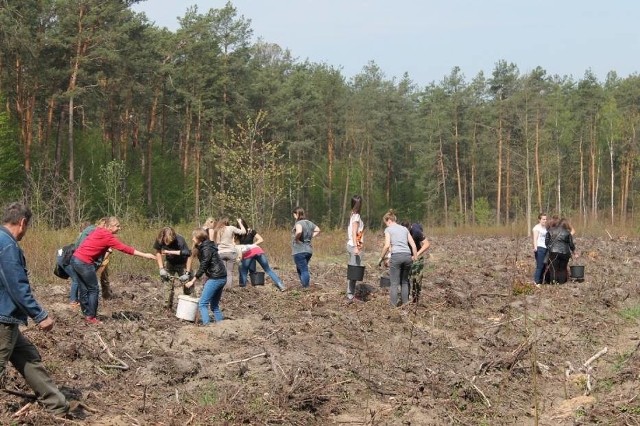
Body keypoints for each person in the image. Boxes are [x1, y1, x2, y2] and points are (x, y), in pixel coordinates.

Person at [0, 202, 70, 416]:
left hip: (6, 318)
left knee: (28, 356)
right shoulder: (8, 245)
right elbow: (16, 286)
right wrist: (40, 315)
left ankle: (56, 406)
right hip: (3, 318)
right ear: (22, 222)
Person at [71, 217, 156, 324]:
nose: (119, 228)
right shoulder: (107, 236)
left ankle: (86, 314)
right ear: (109, 227)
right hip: (84, 262)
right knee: (93, 289)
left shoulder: (99, 230)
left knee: (84, 288)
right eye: (117, 225)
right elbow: (125, 249)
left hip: (75, 259)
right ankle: (91, 317)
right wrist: (145, 255)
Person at [186, 228, 227, 325]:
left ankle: (207, 325)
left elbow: (203, 266)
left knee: (202, 304)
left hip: (216, 278)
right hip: (221, 276)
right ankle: (222, 325)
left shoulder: (206, 249)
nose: (192, 239)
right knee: (214, 306)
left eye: (194, 237)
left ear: (199, 238)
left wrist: (192, 281)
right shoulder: (207, 246)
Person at [379, 210, 417, 306]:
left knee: (394, 283)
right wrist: (414, 257)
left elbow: (387, 246)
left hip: (396, 257)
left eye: (386, 223)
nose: (386, 225)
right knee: (404, 282)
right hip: (408, 256)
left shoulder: (388, 230)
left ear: (389, 220)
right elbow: (413, 245)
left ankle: (393, 307)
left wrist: (381, 258)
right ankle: (405, 305)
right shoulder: (405, 229)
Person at [154, 227, 192, 310]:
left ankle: (189, 308)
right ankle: (167, 308)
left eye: (170, 242)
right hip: (169, 263)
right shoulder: (159, 238)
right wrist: (161, 268)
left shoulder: (180, 240)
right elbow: (158, 252)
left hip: (183, 263)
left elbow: (189, 255)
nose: (168, 244)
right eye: (166, 242)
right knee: (167, 286)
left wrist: (187, 273)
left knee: (187, 286)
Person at [211, 218, 246, 287]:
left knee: (223, 272)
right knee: (229, 272)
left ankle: (222, 287)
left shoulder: (218, 230)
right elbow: (243, 231)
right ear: (227, 223)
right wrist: (240, 223)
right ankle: (228, 288)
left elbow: (217, 242)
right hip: (230, 252)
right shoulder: (231, 228)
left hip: (221, 253)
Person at [291, 207, 320, 288]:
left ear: (297, 214)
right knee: (300, 268)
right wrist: (310, 237)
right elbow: (318, 230)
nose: (294, 216)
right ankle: (304, 285)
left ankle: (306, 287)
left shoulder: (298, 223)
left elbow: (299, 231)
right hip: (308, 250)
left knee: (303, 269)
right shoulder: (309, 223)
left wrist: (296, 238)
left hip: (299, 250)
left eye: (294, 214)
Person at [402, 221, 430, 302]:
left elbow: (427, 244)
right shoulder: (400, 231)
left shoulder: (416, 231)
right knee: (405, 279)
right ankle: (405, 300)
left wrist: (416, 254)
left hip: (417, 256)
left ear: (409, 229)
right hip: (406, 256)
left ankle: (415, 300)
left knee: (417, 279)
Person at [544, 217, 576, 284]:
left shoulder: (550, 230)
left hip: (553, 252)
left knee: (553, 269)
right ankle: (561, 284)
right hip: (565, 252)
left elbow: (546, 242)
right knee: (562, 269)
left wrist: (550, 247)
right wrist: (574, 252)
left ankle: (553, 284)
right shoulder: (567, 232)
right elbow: (571, 244)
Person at [346, 195, 364, 301]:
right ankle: (350, 294)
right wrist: (356, 247)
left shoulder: (353, 215)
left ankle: (351, 293)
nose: (359, 205)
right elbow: (354, 232)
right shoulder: (356, 216)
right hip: (353, 246)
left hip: (353, 245)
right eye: (357, 203)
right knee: (354, 270)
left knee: (354, 269)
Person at [236, 218, 264, 282]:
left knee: (252, 270)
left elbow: (261, 239)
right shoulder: (239, 233)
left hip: (251, 253)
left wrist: (253, 245)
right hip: (242, 253)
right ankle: (243, 285)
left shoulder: (251, 231)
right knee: (242, 270)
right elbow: (233, 241)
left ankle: (254, 285)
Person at [532, 213, 548, 285]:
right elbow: (535, 239)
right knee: (540, 266)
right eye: (543, 219)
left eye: (545, 219)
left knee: (544, 265)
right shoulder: (536, 228)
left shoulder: (546, 228)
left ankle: (541, 282)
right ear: (539, 220)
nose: (545, 220)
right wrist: (535, 247)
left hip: (546, 248)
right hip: (539, 248)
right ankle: (536, 282)